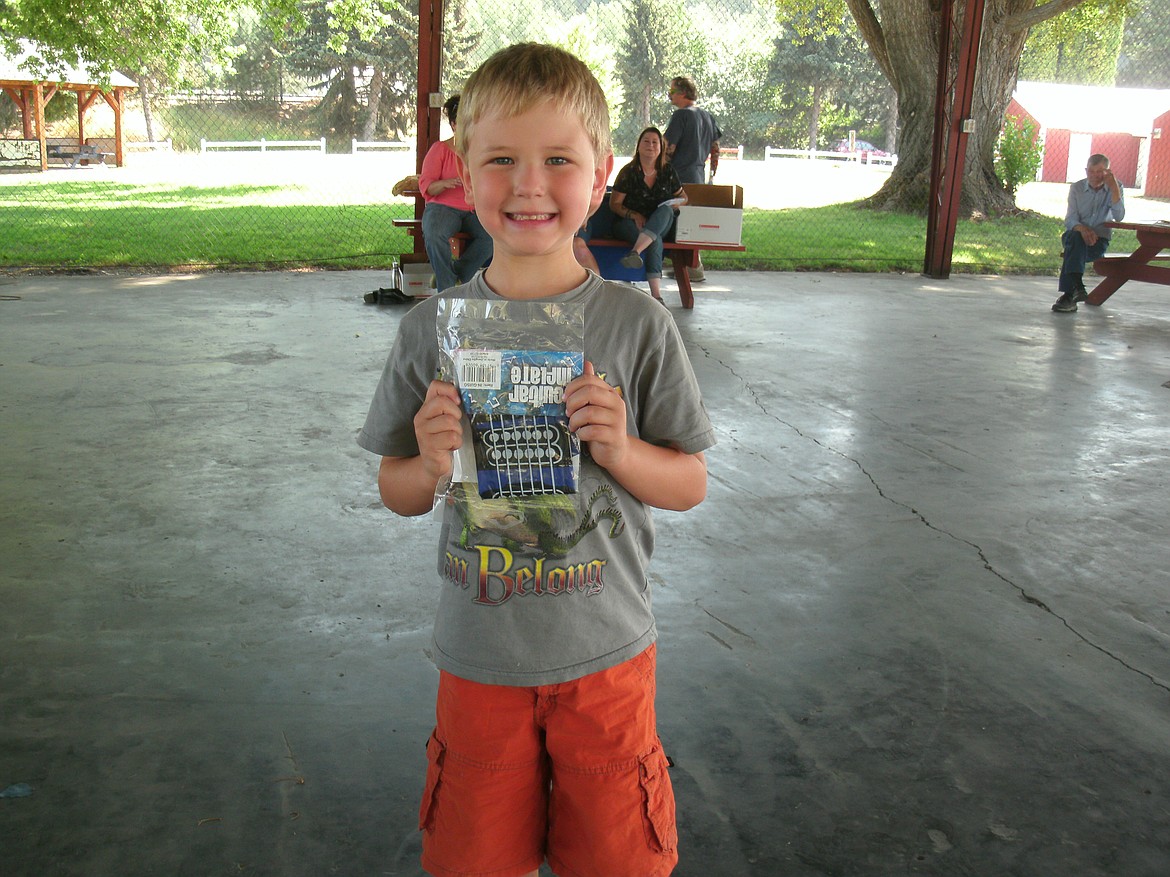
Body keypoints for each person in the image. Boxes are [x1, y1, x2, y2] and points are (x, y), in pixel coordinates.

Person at [358, 43, 713, 877]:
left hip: (608, 659)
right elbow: (397, 488)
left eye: (558, 159)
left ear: (598, 181)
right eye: (502, 160)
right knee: (475, 860)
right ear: (463, 176)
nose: (528, 184)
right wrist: (431, 458)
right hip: (480, 659)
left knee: (618, 861)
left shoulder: (637, 328)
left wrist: (621, 448)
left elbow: (690, 482)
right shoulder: (429, 330)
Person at [418, 94, 493, 291]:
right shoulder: (440, 149)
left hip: (474, 208)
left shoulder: (481, 151)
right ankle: (447, 288)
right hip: (443, 207)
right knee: (435, 234)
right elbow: (427, 186)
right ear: (453, 125)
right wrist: (445, 183)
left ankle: (455, 276)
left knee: (493, 236)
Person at [610, 126, 687, 306]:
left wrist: (677, 203)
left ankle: (635, 252)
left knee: (666, 211)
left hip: (660, 221)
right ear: (638, 146)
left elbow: (684, 197)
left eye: (655, 142)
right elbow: (614, 204)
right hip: (629, 222)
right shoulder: (628, 172)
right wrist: (634, 214)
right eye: (646, 141)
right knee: (655, 239)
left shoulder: (668, 171)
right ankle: (657, 296)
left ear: (661, 147)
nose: (650, 146)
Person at [663, 76, 722, 282]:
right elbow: (715, 148)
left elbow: (668, 147)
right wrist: (712, 172)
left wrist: (659, 170)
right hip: (698, 175)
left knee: (673, 219)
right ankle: (691, 266)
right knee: (691, 222)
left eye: (671, 92)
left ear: (682, 93)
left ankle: (691, 265)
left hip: (679, 176)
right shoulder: (707, 116)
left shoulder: (681, 116)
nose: (669, 95)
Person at [1052, 154, 1125, 313]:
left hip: (1098, 241)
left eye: (1099, 172)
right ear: (1086, 171)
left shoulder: (1116, 187)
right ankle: (1077, 286)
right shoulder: (1077, 188)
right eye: (1090, 171)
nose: (1094, 176)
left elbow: (1119, 216)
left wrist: (1113, 188)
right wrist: (1084, 230)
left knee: (1072, 250)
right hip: (1075, 235)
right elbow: (1070, 219)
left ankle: (1069, 295)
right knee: (1075, 238)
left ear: (1108, 172)